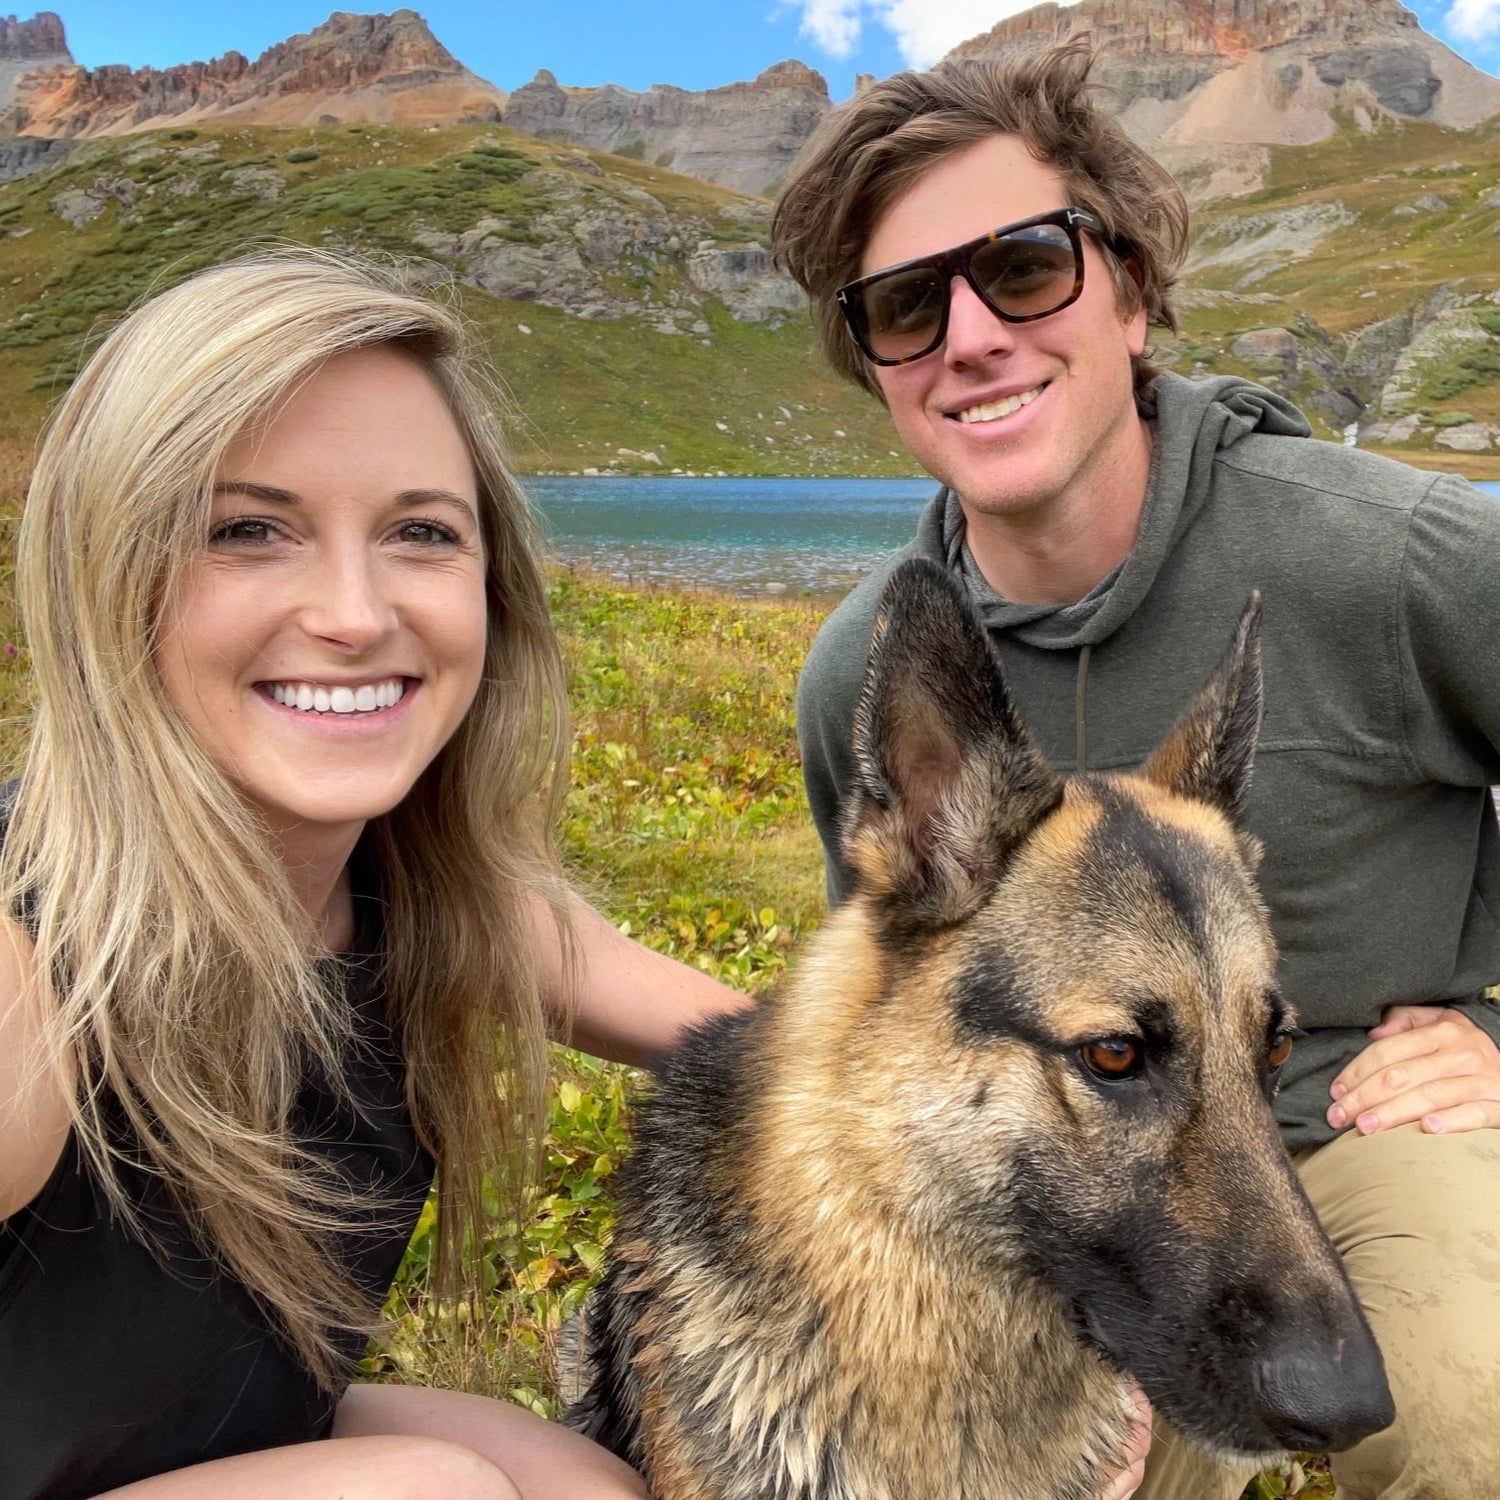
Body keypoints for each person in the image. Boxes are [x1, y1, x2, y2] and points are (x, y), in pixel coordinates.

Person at [772, 40, 1500, 1500]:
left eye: (1025, 268)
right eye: (910, 307)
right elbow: (904, 1017)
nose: (972, 336)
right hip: (1061, 1170)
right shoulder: (870, 675)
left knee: (1458, 1422)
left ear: (1133, 290)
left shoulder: (1397, 555)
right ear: (881, 368)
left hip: (1363, 1120)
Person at [0, 249, 755, 1500]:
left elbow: (807, 1066)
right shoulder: (30, 965)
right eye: (248, 531)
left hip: (158, 1438)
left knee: (581, 1488)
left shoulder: (427, 901)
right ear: (107, 574)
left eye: (420, 533)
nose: (354, 613)